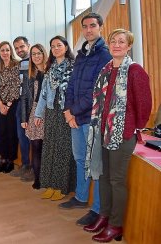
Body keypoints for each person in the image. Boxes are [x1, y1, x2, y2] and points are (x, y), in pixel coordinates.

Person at [83, 29, 152, 242]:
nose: (116, 45)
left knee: (116, 180)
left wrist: (133, 127)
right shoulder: (105, 69)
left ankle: (115, 225)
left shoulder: (134, 71)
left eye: (122, 42)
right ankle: (104, 216)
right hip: (102, 133)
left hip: (122, 135)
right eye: (113, 41)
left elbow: (144, 105)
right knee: (103, 176)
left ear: (129, 46)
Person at [59, 12, 112, 226]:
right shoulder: (81, 55)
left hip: (91, 118)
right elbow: (72, 85)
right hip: (76, 117)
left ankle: (96, 209)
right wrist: (67, 110)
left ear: (100, 27)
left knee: (95, 165)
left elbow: (96, 91)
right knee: (80, 159)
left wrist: (74, 112)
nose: (88, 30)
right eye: (85, 26)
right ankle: (81, 197)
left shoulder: (105, 56)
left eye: (93, 26)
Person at [34, 35, 76, 201]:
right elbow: (43, 94)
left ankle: (61, 187)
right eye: (53, 46)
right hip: (51, 112)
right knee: (49, 148)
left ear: (66, 47)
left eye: (59, 45)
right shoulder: (50, 69)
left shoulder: (73, 67)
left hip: (66, 112)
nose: (56, 48)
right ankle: (50, 184)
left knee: (63, 149)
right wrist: (38, 113)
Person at [20, 44, 48, 189]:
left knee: (47, 148)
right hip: (34, 114)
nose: (36, 56)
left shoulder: (51, 71)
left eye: (39, 53)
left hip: (49, 114)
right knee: (36, 146)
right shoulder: (29, 74)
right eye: (33, 54)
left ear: (44, 54)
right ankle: (37, 179)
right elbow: (24, 97)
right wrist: (24, 118)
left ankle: (49, 178)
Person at [0, 41, 21, 173]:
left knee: (11, 133)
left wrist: (8, 105)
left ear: (11, 51)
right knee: (1, 132)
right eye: (2, 50)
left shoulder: (17, 65)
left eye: (7, 50)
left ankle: (10, 160)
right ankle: (2, 159)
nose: (5, 53)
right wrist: (0, 103)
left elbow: (16, 86)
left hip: (13, 104)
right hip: (0, 104)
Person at [11, 37, 32, 180]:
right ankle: (25, 165)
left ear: (28, 45)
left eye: (22, 47)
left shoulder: (37, 61)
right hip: (20, 105)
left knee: (33, 139)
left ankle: (35, 169)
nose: (20, 50)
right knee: (22, 137)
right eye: (17, 48)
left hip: (33, 106)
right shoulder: (19, 64)